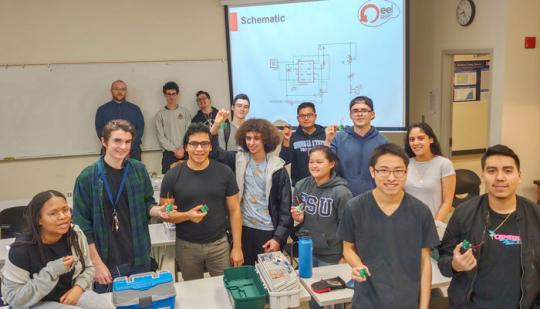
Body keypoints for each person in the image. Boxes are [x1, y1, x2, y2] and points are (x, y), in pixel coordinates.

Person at [337, 143, 439, 309]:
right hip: (366, 301)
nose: (391, 178)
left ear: (406, 172)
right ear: (372, 172)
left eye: (398, 171)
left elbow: (425, 262)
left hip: (406, 301)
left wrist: (424, 306)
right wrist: (357, 265)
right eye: (383, 170)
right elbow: (347, 249)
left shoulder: (420, 211)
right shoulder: (354, 207)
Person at [438, 145, 540, 308]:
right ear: (483, 176)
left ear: (519, 176)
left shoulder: (536, 216)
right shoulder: (463, 213)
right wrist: (454, 265)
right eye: (492, 171)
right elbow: (444, 259)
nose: (500, 177)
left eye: (508, 171)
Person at [73, 119, 166, 293]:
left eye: (128, 142)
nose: (123, 146)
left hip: (139, 258)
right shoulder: (87, 177)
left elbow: (147, 203)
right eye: (117, 141)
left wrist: (158, 211)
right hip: (107, 262)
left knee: (141, 303)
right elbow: (81, 226)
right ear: (104, 141)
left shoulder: (138, 170)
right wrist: (96, 264)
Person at [159, 123, 244, 281]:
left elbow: (235, 210)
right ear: (186, 147)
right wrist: (186, 216)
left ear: (211, 147)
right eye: (194, 144)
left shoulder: (225, 172)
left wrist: (237, 247)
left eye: (204, 144)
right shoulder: (173, 175)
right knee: (193, 292)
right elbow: (166, 213)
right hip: (186, 247)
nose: (199, 149)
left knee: (224, 289)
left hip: (219, 245)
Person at [1, 190, 113, 308]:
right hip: (34, 302)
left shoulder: (75, 234)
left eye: (65, 210)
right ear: (39, 219)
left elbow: (88, 268)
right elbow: (14, 298)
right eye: (53, 213)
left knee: (105, 306)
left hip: (69, 292)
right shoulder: (20, 250)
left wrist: (78, 288)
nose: (63, 217)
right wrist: (52, 271)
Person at [211, 117, 292, 265]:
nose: (251, 142)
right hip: (243, 229)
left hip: (268, 231)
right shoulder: (238, 159)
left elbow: (285, 209)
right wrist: (216, 126)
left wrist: (277, 238)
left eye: (256, 138)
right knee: (246, 276)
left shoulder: (277, 168)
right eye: (248, 138)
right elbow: (214, 152)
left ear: (266, 140)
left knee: (267, 278)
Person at [291, 146, 352, 309]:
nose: (314, 165)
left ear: (332, 163)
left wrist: (345, 256)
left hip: (331, 254)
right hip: (307, 252)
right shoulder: (301, 185)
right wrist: (298, 218)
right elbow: (296, 215)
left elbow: (349, 228)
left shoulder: (341, 192)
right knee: (313, 296)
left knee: (334, 298)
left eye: (319, 162)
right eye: (311, 161)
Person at [325, 96, 387, 196]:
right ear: (350, 115)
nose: (359, 114)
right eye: (355, 111)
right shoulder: (339, 138)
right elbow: (326, 166)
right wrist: (328, 141)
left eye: (364, 110)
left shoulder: (383, 142)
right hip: (343, 198)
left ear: (372, 114)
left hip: (373, 200)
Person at [404, 122, 456, 222]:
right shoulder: (405, 164)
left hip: (434, 224)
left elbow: (447, 202)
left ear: (431, 139)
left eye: (421, 138)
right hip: (408, 224)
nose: (415, 143)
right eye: (412, 139)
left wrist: (434, 226)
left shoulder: (444, 164)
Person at [95, 80, 145, 161]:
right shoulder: (102, 110)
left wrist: (128, 148)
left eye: (123, 89)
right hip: (110, 152)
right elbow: (101, 132)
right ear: (111, 91)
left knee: (134, 174)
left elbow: (140, 130)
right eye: (116, 89)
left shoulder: (135, 109)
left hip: (132, 153)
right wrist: (115, 148)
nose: (120, 92)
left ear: (126, 91)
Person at [280, 102, 326, 185]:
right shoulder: (292, 137)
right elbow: (283, 161)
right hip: (300, 186)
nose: (306, 118)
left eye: (309, 115)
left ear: (315, 116)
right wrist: (286, 141)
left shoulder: (325, 135)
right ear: (298, 118)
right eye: (302, 116)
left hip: (323, 184)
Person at [154, 81, 192, 173]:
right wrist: (174, 150)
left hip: (185, 151)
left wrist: (182, 148)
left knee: (188, 179)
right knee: (167, 181)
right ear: (165, 95)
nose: (171, 97)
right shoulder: (160, 115)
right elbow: (161, 137)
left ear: (177, 94)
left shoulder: (185, 112)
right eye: (168, 94)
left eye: (173, 94)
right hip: (169, 154)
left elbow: (189, 132)